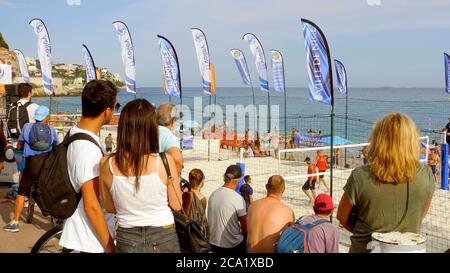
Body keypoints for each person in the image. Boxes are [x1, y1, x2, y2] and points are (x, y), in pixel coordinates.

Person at [337, 113, 435, 253]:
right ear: (412, 141)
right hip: (408, 249)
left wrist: (368, 234)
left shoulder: (360, 176)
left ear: (378, 140)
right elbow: (420, 215)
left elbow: (342, 217)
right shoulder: (426, 175)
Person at [99, 99, 182, 253]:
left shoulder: (106, 164)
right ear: (152, 128)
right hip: (163, 233)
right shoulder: (164, 161)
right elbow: (177, 205)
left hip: (127, 236)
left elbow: (110, 208)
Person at [59, 80, 118, 253]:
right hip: (87, 241)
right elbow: (91, 205)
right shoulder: (88, 149)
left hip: (81, 235)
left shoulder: (75, 133)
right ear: (107, 110)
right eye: (116, 106)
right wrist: (110, 247)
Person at [3, 106, 58, 233]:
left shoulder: (27, 127)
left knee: (22, 191)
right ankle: (57, 219)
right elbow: (56, 146)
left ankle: (15, 222)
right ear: (46, 117)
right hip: (45, 167)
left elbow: (20, 144)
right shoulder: (51, 129)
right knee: (51, 189)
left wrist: (19, 159)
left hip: (31, 165)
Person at [246, 175, 295, 253]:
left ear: (266, 187)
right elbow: (292, 239)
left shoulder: (252, 206)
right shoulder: (288, 212)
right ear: (283, 189)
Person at [207, 165, 247, 253]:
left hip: (213, 242)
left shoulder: (213, 194)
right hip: (231, 245)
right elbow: (245, 227)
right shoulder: (237, 198)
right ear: (238, 181)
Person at [157, 103, 183, 175]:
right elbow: (177, 160)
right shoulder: (169, 137)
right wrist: (175, 178)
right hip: (162, 179)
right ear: (173, 120)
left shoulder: (146, 132)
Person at [182, 168, 208, 238]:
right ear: (202, 181)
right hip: (195, 230)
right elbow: (202, 216)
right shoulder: (202, 198)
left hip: (183, 225)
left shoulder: (184, 192)